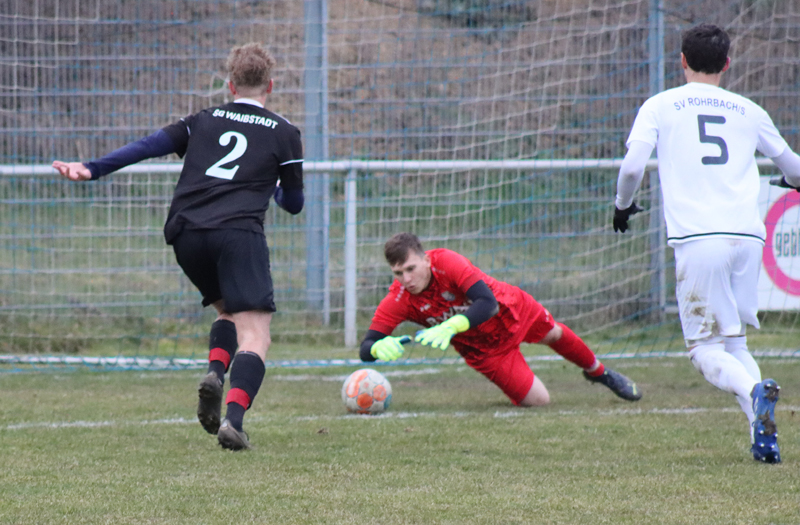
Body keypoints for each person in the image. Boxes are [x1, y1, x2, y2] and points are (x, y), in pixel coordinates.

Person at [52, 43, 304, 451]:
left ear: (230, 83)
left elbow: (149, 144)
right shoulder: (284, 132)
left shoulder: (201, 120)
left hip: (185, 232)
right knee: (255, 333)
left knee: (227, 309)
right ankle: (234, 422)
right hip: (237, 233)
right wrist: (275, 188)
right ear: (270, 85)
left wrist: (92, 168)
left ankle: (215, 374)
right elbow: (294, 205)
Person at [614, 24, 800, 464]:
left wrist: (623, 206)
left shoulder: (660, 105)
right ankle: (762, 436)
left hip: (701, 239)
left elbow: (632, 166)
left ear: (681, 60)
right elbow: (793, 166)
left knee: (704, 351)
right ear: (727, 64)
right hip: (748, 237)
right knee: (735, 346)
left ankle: (756, 392)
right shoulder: (749, 110)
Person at [359, 232, 642, 407]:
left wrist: (452, 324)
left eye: (411, 268)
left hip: (509, 310)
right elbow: (367, 345)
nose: (406, 279)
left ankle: (600, 373)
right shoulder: (399, 299)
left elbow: (488, 303)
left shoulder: (447, 262)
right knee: (539, 402)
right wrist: (375, 349)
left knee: (553, 334)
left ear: (427, 261)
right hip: (484, 349)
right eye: (398, 273)